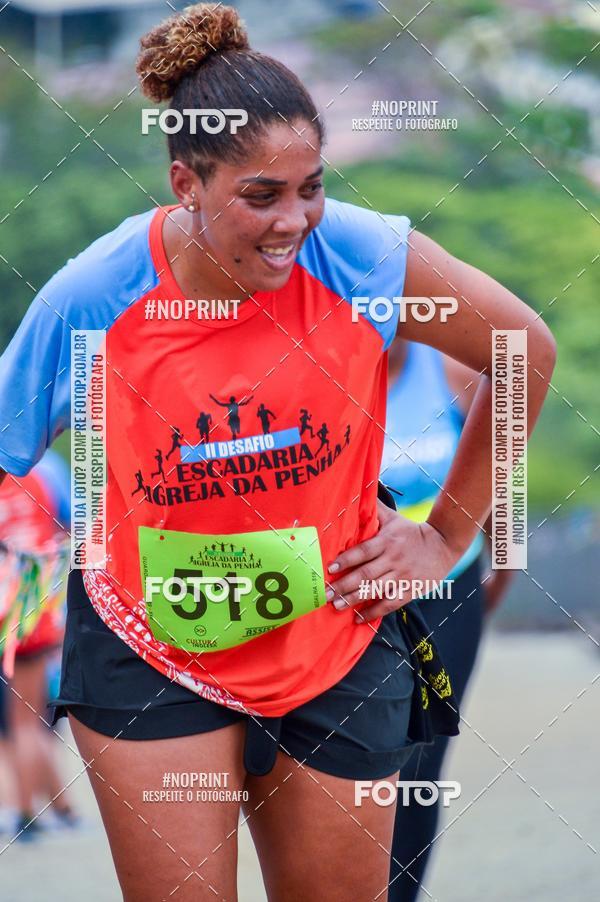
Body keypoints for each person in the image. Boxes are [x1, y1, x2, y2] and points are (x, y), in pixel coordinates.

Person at [0, 4, 555, 898]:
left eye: (312, 186)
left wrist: (445, 538)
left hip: (335, 633)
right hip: (153, 646)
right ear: (187, 181)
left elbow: (522, 351)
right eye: (261, 195)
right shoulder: (94, 294)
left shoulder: (362, 255)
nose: (294, 220)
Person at [382, 338, 515, 899]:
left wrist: (503, 564)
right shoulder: (319, 364)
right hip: (354, 594)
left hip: (446, 590)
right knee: (355, 756)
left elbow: (503, 469)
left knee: (419, 762)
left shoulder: (451, 371)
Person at [0, 449, 74, 840]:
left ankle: (27, 812)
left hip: (11, 613)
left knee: (19, 724)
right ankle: (50, 807)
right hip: (32, 611)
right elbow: (66, 532)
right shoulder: (44, 473)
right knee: (30, 720)